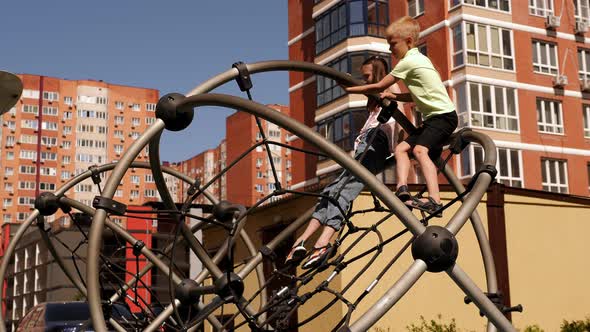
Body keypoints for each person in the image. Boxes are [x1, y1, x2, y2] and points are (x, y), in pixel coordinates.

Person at [285, 56, 402, 269]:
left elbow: (377, 94)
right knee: (332, 189)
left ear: (377, 73)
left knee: (346, 190)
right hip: (364, 144)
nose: (365, 81)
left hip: (376, 143)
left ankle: (324, 242)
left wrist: (347, 81)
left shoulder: (390, 85)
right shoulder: (376, 97)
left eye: (367, 76)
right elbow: (356, 89)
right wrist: (341, 79)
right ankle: (302, 240)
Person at [345, 16, 458, 218]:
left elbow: (378, 86)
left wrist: (349, 88)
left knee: (421, 151)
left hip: (443, 117)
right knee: (401, 149)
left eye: (393, 44)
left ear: (408, 41)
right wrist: (394, 96)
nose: (390, 50)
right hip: (434, 119)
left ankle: (435, 200)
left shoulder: (408, 62)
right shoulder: (420, 60)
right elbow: (415, 95)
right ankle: (402, 188)